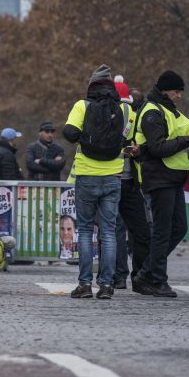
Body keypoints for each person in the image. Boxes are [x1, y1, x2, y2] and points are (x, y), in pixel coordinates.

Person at [132, 70, 189, 298]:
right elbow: (158, 148)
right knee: (162, 231)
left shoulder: (166, 110)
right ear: (165, 91)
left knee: (178, 228)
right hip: (159, 178)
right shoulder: (152, 112)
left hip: (172, 178)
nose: (179, 96)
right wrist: (187, 140)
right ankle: (156, 279)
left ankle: (146, 274)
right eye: (176, 92)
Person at [62, 65, 126, 300]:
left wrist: (85, 140)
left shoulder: (83, 105)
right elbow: (127, 137)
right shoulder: (123, 109)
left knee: (86, 230)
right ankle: (107, 285)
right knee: (108, 231)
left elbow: (68, 132)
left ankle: (85, 284)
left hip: (87, 174)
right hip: (113, 175)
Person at [113, 78, 148, 290]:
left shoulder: (105, 115)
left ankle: (118, 277)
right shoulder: (135, 117)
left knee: (114, 230)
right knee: (138, 230)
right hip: (127, 180)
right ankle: (137, 276)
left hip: (114, 179)